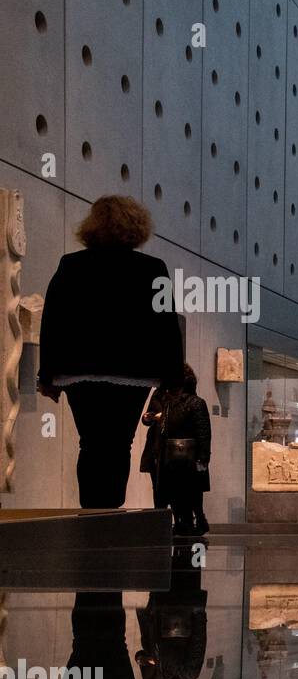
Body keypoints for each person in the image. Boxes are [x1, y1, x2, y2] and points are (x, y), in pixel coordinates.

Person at [38, 196, 183, 509]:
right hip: (131, 373)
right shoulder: (152, 268)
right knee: (120, 444)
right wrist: (172, 376)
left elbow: (53, 321)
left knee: (90, 443)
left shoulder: (72, 264)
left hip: (80, 371)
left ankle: (92, 511)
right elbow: (166, 326)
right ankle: (110, 512)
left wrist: (47, 375)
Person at [157, 364, 212, 535]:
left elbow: (203, 432)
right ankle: (183, 522)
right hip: (173, 457)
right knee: (175, 493)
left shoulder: (196, 403)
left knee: (190, 493)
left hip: (190, 458)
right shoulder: (168, 403)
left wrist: (203, 457)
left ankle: (194, 521)